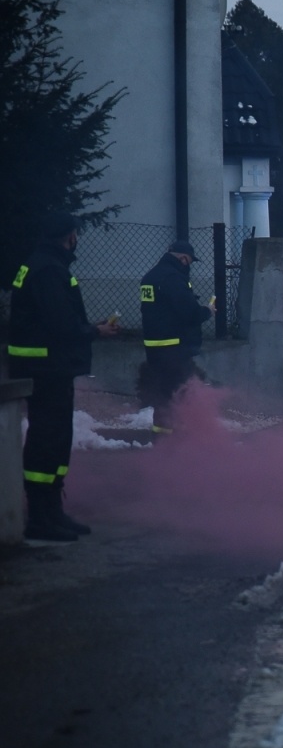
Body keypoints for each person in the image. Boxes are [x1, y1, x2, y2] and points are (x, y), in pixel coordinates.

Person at [6, 216, 119, 540]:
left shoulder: (41, 265)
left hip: (46, 367)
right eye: (76, 234)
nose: (77, 239)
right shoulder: (49, 270)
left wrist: (89, 327)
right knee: (48, 440)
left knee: (55, 438)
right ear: (69, 236)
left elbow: (55, 320)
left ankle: (52, 511)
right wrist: (94, 330)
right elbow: (60, 325)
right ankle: (41, 518)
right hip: (46, 369)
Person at [138, 240, 213, 433]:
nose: (189, 265)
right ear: (183, 258)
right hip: (174, 347)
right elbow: (189, 312)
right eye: (189, 260)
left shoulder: (150, 277)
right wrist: (207, 311)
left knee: (163, 393)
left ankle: (162, 436)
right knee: (180, 391)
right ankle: (180, 438)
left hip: (154, 347)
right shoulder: (173, 278)